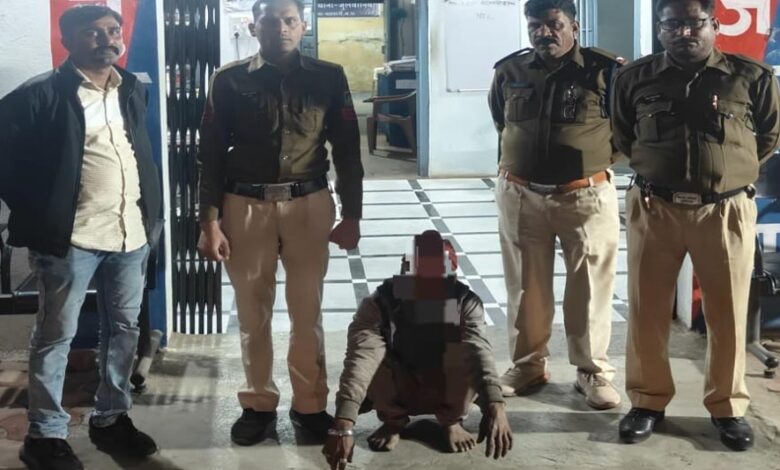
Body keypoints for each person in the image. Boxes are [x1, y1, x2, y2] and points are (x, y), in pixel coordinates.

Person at [611, 0, 780, 451]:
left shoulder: (752, 77)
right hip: (655, 207)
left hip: (724, 211)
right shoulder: (634, 78)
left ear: (714, 24)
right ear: (660, 29)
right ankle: (647, 401)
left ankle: (727, 407)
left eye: (693, 23)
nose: (683, 32)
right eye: (672, 24)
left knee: (728, 313)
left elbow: (767, 137)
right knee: (647, 309)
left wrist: (726, 174)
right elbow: (624, 135)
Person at [0, 5, 162, 470]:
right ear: (68, 41)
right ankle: (45, 433)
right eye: (93, 32)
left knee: (124, 330)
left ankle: (111, 418)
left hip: (129, 233)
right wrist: (41, 213)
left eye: (113, 30)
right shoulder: (39, 94)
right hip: (71, 240)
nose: (106, 39)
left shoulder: (130, 87)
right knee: (56, 336)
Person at [196, 0, 363, 445]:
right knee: (253, 311)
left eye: (290, 21)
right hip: (244, 206)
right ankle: (258, 404)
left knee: (307, 311)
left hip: (309, 204)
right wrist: (209, 222)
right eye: (270, 21)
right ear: (254, 27)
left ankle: (310, 406)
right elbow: (210, 154)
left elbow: (348, 150)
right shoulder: (229, 80)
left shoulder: (329, 77)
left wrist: (352, 214)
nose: (281, 28)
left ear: (303, 26)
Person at [488, 0, 623, 409]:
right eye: (535, 25)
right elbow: (501, 121)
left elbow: (629, 128)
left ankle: (592, 371)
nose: (543, 32)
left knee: (589, 285)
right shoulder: (510, 70)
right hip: (521, 195)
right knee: (525, 285)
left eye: (554, 24)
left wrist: (594, 163)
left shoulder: (606, 70)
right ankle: (528, 365)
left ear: (574, 27)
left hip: (585, 196)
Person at [322, 231, 512, 470]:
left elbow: (478, 351)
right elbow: (361, 358)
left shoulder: (466, 303)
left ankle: (451, 420)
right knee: (373, 357)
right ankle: (393, 421)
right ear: (405, 272)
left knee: (465, 353)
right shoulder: (379, 303)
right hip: (398, 382)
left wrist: (495, 404)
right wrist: (344, 423)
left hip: (447, 384)